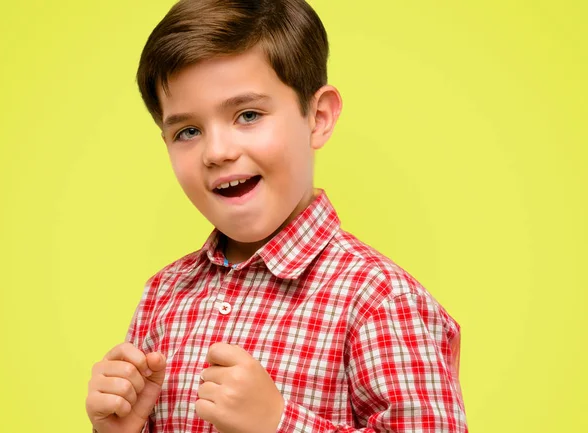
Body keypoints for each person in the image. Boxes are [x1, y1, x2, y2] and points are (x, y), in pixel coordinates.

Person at [85, 0, 467, 432]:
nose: (217, 152)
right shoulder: (164, 296)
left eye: (248, 115)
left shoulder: (378, 300)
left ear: (318, 117)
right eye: (187, 131)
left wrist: (279, 423)